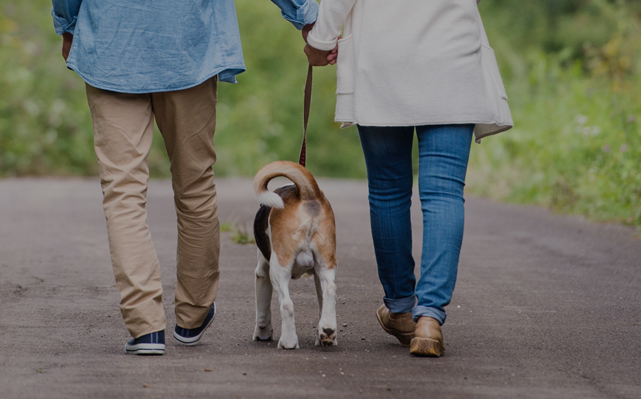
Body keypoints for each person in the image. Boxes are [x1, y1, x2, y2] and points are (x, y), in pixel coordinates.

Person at [52, 0, 322, 356]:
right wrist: (308, 15)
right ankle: (192, 315)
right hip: (188, 44)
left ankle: (145, 325)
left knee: (122, 191)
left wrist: (69, 22)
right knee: (194, 185)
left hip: (112, 43)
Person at [304, 0, 514, 357]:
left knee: (388, 191)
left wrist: (319, 40)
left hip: (382, 58)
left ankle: (401, 308)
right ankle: (430, 317)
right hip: (454, 55)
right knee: (445, 192)